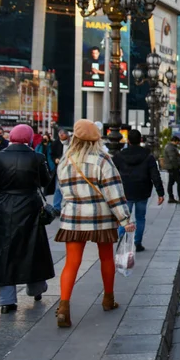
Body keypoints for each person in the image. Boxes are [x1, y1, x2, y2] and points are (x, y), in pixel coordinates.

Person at [54, 119, 135, 328]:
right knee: (106, 257)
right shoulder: (103, 160)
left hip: (72, 218)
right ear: (96, 140)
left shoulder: (65, 161)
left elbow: (63, 191)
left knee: (72, 262)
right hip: (100, 217)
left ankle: (63, 306)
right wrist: (125, 219)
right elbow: (114, 193)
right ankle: (108, 299)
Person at [0, 124, 55, 314]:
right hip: (30, 206)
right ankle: (36, 289)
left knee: (5, 251)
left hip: (4, 206)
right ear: (29, 138)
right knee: (33, 248)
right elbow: (46, 182)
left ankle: (7, 301)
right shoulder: (36, 157)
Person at [112, 129, 165, 252]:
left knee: (124, 218)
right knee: (140, 217)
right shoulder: (148, 155)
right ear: (140, 140)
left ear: (128, 141)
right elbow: (155, 174)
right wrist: (160, 192)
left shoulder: (119, 156)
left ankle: (121, 241)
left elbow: (112, 173)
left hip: (125, 191)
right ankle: (137, 243)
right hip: (142, 191)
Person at [51, 129, 71, 216]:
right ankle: (56, 208)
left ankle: (68, 206)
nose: (62, 140)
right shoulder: (56, 143)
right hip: (60, 167)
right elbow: (52, 154)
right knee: (58, 188)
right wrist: (55, 159)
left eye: (64, 138)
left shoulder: (73, 143)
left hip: (70, 167)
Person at [163, 136, 180, 204]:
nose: (178, 143)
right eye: (178, 141)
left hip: (172, 168)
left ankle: (171, 198)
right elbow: (172, 159)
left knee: (170, 183)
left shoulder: (170, 147)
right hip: (173, 168)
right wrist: (177, 167)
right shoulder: (170, 147)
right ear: (175, 141)